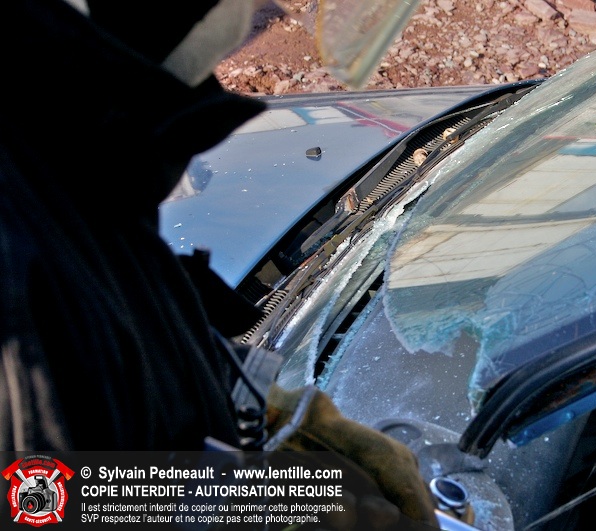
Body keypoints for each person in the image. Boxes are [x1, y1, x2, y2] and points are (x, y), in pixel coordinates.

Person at [0, 0, 438, 528]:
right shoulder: (17, 226)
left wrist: (260, 408)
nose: (250, 15)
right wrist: (276, 502)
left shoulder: (65, 141)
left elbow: (115, 342)